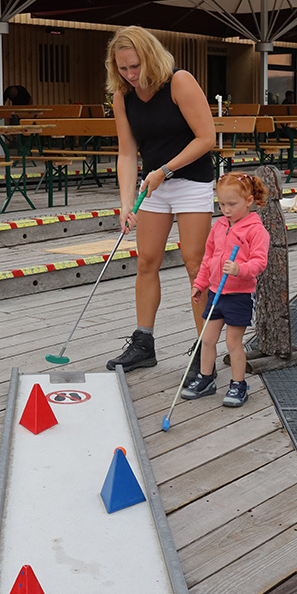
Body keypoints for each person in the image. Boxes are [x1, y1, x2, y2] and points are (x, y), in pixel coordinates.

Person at [104, 26, 216, 376]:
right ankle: (144, 343)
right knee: (146, 261)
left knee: (194, 263)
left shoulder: (179, 81)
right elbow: (126, 153)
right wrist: (125, 203)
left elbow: (206, 137)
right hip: (154, 186)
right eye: (123, 69)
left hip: (190, 181)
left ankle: (204, 349)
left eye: (135, 66)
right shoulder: (123, 96)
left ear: (150, 57)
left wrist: (165, 169)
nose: (131, 75)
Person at [181, 172, 270, 407]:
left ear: (248, 201)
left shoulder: (255, 230)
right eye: (221, 204)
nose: (226, 209)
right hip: (215, 293)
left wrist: (240, 269)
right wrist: (200, 284)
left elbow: (259, 262)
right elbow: (208, 258)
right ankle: (206, 378)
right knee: (207, 339)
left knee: (233, 343)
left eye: (232, 204)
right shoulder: (219, 226)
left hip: (238, 295)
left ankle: (238, 384)